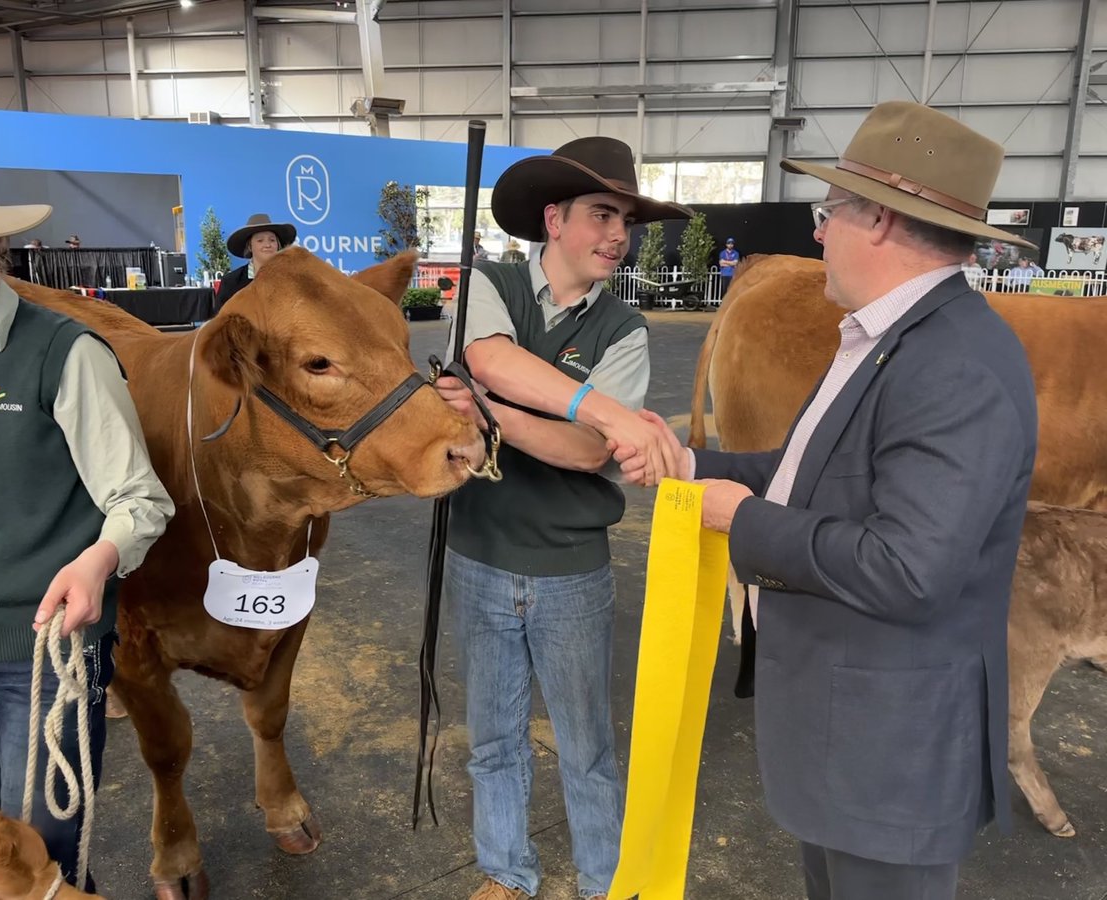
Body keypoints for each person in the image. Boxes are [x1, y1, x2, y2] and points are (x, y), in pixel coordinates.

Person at [616, 101, 1038, 900]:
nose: (819, 232)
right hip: (853, 743)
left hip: (890, 761)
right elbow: (806, 471)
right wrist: (689, 463)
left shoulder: (953, 365)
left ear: (878, 220)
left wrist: (738, 520)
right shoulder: (887, 339)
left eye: (830, 211)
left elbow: (909, 568)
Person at [0, 132, 175, 892]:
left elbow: (139, 499)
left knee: (40, 847)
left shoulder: (66, 352)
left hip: (43, 651)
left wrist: (98, 560)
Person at [434, 135, 691, 900]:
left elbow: (583, 454)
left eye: (627, 222)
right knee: (493, 740)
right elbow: (488, 358)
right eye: (602, 215)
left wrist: (490, 420)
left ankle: (607, 882)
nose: (618, 235)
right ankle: (505, 872)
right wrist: (608, 413)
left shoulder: (625, 329)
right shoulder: (489, 283)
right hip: (478, 553)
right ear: (554, 218)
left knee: (585, 747)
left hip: (570, 570)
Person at [215, 212, 297, 307]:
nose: (267, 245)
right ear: (250, 246)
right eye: (260, 240)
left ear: (278, 246)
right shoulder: (231, 283)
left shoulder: (291, 280)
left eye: (272, 240)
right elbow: (221, 320)